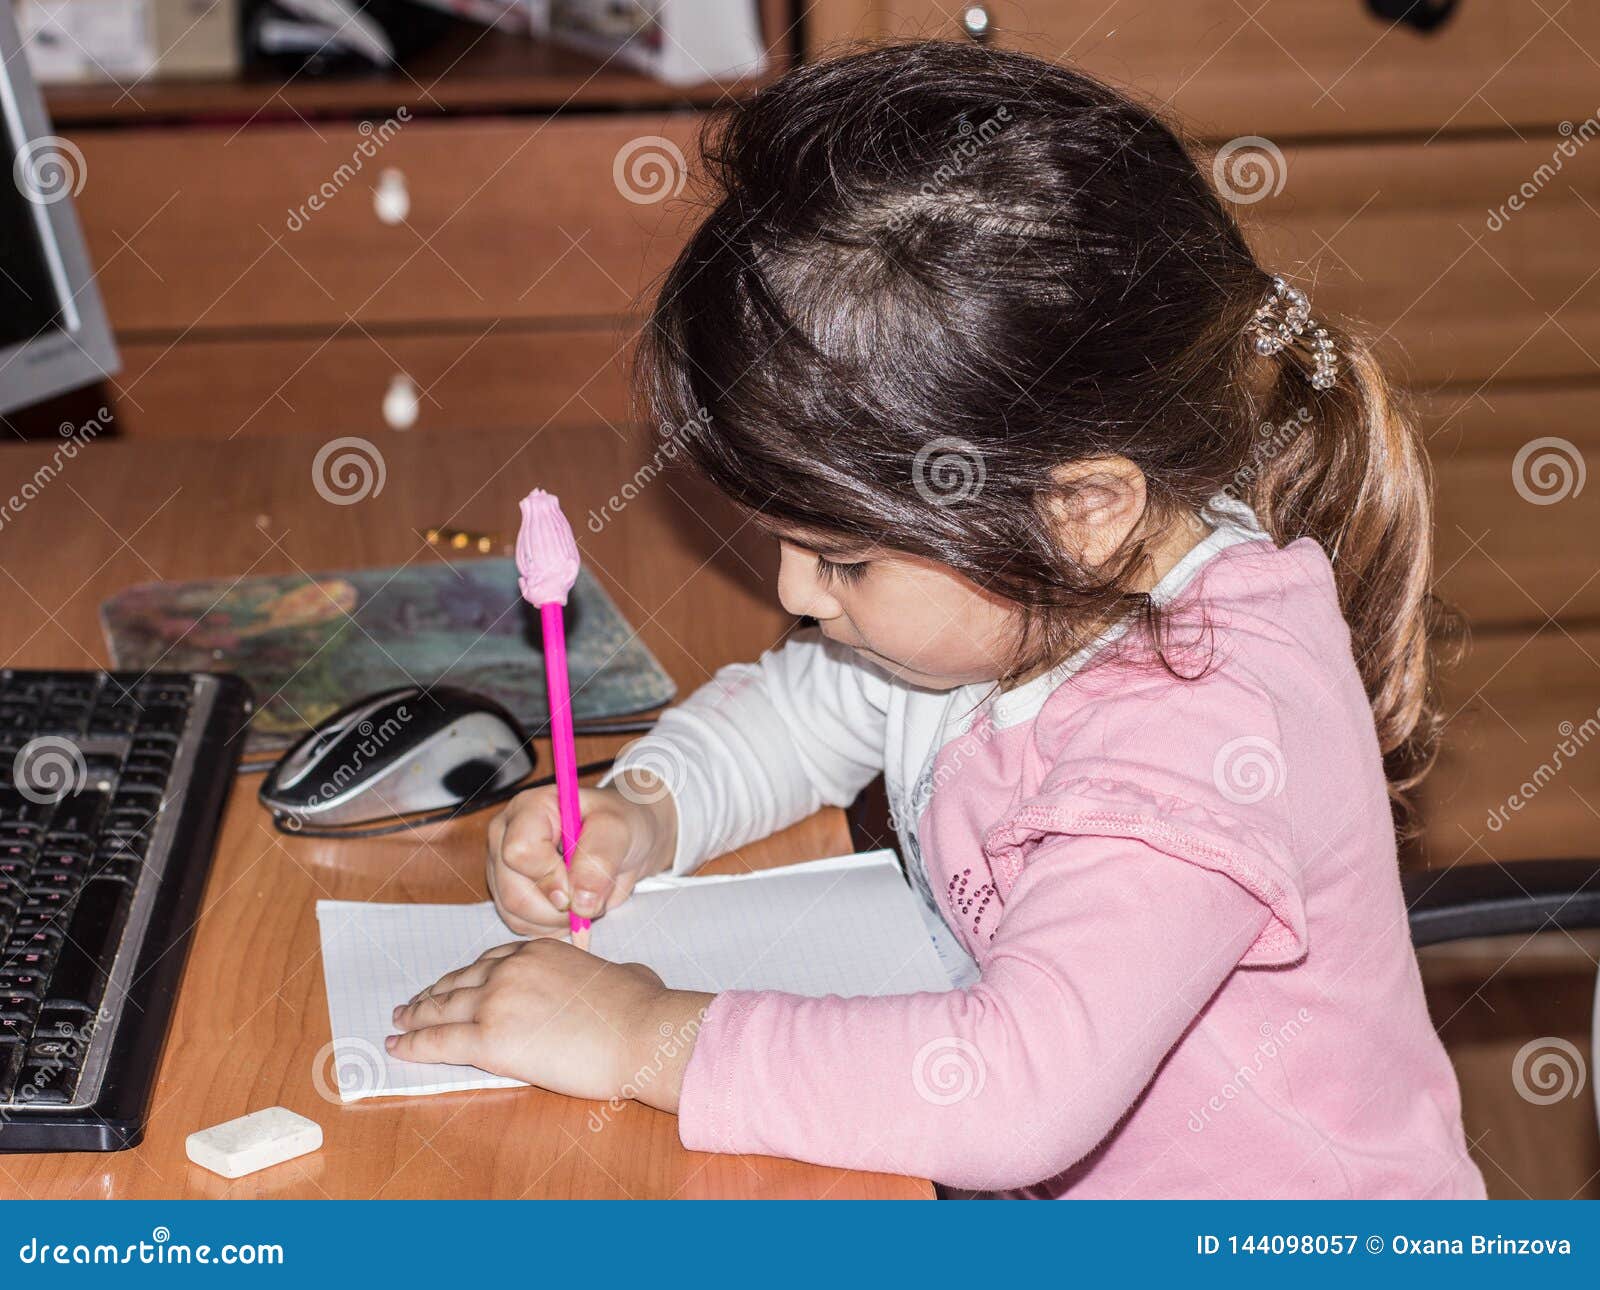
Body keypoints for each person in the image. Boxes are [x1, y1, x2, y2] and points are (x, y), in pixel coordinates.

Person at [389, 40, 1486, 1200]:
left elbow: (1017, 1094)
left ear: (1083, 512)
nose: (795, 596)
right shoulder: (1029, 586)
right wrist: (644, 813)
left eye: (841, 558)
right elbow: (810, 709)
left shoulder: (1189, 744)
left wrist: (644, 1037)